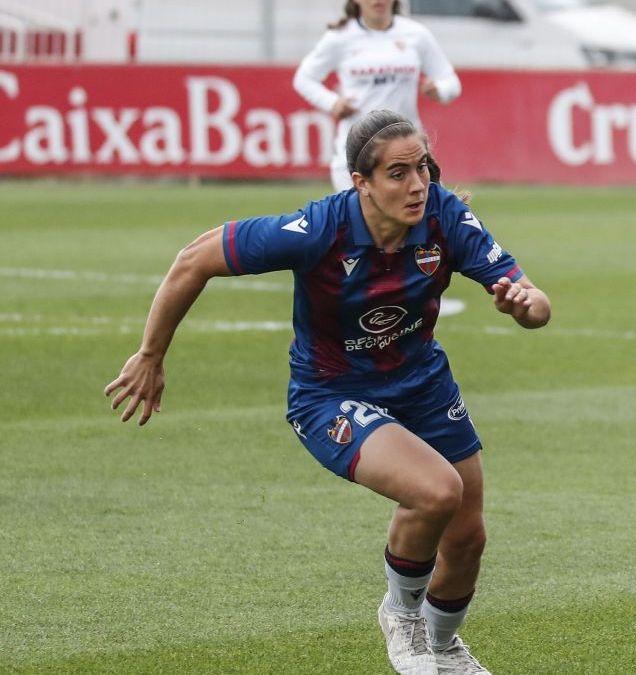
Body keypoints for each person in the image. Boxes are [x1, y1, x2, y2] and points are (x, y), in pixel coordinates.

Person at [105, 110, 550, 675]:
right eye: (397, 173)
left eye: (423, 169)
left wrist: (525, 305)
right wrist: (150, 354)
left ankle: (445, 651)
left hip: (423, 385)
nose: (416, 186)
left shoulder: (445, 217)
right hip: (329, 394)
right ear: (360, 182)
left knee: (467, 535)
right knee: (437, 492)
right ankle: (401, 615)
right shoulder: (319, 230)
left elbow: (535, 303)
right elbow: (194, 259)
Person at [294, 0, 461, 191]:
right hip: (359, 149)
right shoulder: (339, 37)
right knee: (361, 219)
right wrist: (332, 103)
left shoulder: (416, 34)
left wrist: (440, 90)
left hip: (408, 149)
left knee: (430, 216)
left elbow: (451, 82)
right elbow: (304, 78)